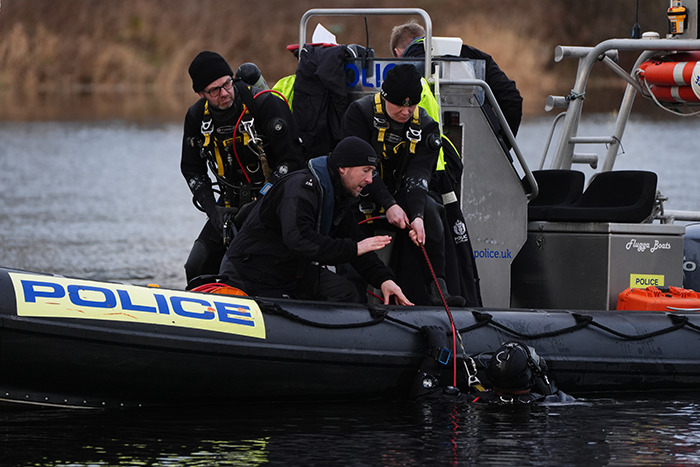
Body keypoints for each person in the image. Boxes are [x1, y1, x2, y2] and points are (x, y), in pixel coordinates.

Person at [219, 136, 413, 305]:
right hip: (252, 272)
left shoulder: (338, 196)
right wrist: (353, 249)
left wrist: (384, 279)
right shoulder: (301, 189)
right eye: (366, 171)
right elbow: (299, 239)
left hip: (288, 271)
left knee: (345, 292)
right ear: (343, 168)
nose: (370, 180)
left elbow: (356, 243)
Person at [341, 64, 466, 307]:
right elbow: (357, 170)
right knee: (348, 219)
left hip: (402, 192)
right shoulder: (359, 114)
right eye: (400, 105)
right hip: (361, 190)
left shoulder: (427, 126)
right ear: (385, 97)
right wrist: (388, 204)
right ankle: (352, 295)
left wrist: (416, 215)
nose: (406, 111)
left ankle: (436, 289)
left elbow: (419, 175)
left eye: (412, 105)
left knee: (431, 211)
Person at [181, 51, 305, 286]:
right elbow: (191, 169)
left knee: (239, 267)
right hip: (228, 208)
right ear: (201, 93)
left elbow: (293, 162)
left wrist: (261, 201)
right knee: (197, 265)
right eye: (214, 90)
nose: (224, 93)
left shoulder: (265, 104)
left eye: (227, 83)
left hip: (272, 204)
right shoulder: (197, 116)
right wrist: (212, 211)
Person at [389, 20, 523, 138]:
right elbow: (512, 98)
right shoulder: (475, 56)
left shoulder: (398, 71)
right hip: (482, 142)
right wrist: (501, 145)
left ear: (397, 53)